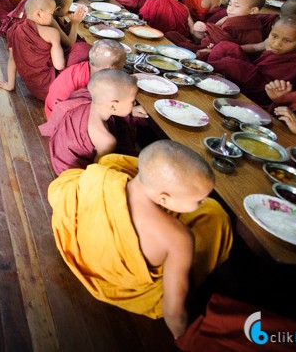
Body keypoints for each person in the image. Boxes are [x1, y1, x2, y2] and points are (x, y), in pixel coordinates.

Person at [48, 141, 233, 339]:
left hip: (84, 253)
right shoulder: (178, 238)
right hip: (131, 290)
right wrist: (184, 341)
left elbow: (65, 190)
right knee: (215, 215)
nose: (204, 201)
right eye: (199, 200)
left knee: (106, 163)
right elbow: (173, 312)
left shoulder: (103, 179)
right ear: (164, 199)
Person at [39, 69, 139, 174]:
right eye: (132, 101)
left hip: (59, 152)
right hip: (72, 172)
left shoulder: (84, 104)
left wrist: (131, 111)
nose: (135, 103)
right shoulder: (106, 140)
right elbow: (95, 170)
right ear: (113, 105)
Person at [207, 15, 296, 105]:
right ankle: (207, 70)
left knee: (230, 64)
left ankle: (207, 72)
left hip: (261, 90)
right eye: (274, 36)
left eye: (287, 41)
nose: (276, 44)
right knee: (226, 46)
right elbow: (255, 49)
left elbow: (264, 85)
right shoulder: (276, 45)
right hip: (257, 72)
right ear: (271, 30)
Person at [0, 0, 65, 100]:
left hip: (34, 89)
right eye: (51, 14)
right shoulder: (52, 33)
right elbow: (59, 66)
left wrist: (10, 84)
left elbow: (12, 59)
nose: (53, 18)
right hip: (52, 88)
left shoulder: (13, 30)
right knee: (80, 50)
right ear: (39, 13)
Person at [43, 40, 128, 119]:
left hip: (53, 109)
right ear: (111, 67)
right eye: (123, 64)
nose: (123, 67)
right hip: (58, 119)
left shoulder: (87, 68)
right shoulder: (85, 84)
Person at [191, 0, 265, 56]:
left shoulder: (253, 30)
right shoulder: (225, 19)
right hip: (205, 49)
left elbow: (247, 55)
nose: (230, 9)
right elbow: (208, 35)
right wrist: (199, 30)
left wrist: (216, 51)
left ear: (253, 10)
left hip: (223, 57)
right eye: (229, 4)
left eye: (237, 6)